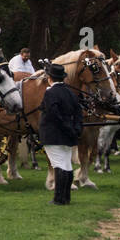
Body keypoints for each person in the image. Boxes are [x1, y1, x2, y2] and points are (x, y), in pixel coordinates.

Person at [40, 62, 83, 205]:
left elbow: (53, 114)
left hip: (54, 134)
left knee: (59, 166)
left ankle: (59, 198)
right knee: (67, 165)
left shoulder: (50, 93)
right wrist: (75, 129)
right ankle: (66, 197)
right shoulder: (70, 92)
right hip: (69, 135)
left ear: (50, 78)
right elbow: (78, 113)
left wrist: (66, 128)